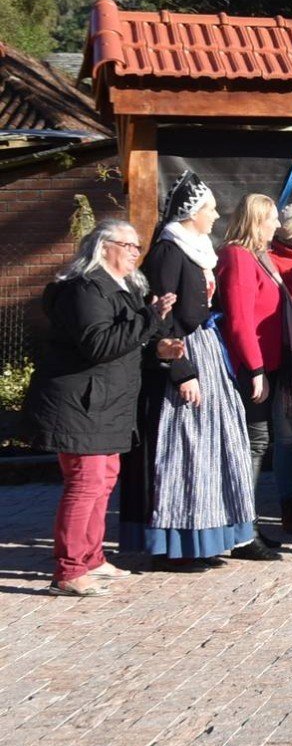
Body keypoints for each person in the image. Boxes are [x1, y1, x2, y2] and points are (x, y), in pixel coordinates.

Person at [27, 220, 174, 594]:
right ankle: (70, 570)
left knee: (104, 479)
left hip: (108, 401)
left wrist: (159, 347)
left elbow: (125, 344)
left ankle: (91, 558)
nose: (134, 253)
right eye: (128, 245)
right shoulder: (85, 289)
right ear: (103, 246)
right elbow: (99, 345)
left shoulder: (122, 289)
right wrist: (150, 317)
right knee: (85, 482)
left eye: (137, 247)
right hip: (80, 402)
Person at [122, 174, 260, 566]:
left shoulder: (196, 249)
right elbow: (162, 315)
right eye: (210, 209)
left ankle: (208, 536)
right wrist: (181, 370)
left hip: (205, 347)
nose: (216, 215)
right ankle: (174, 543)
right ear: (192, 213)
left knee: (214, 443)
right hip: (183, 351)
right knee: (183, 446)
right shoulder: (169, 250)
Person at [215, 194, 292, 550]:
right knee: (252, 445)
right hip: (251, 368)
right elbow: (239, 320)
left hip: (270, 365)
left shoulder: (260, 257)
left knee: (259, 443)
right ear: (256, 221)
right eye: (272, 220)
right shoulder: (237, 257)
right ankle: (241, 529)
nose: (278, 226)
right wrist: (256, 369)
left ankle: (247, 524)